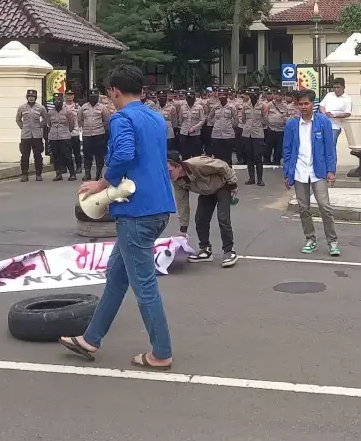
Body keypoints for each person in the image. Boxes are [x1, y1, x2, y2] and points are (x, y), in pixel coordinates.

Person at [60, 65, 176, 370]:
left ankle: (161, 352)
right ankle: (90, 339)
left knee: (144, 285)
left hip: (137, 211)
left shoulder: (123, 118)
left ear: (113, 91)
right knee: (116, 276)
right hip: (159, 205)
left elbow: (123, 155)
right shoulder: (155, 116)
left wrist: (100, 183)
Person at [283, 89, 340, 256]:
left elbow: (330, 148)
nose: (303, 107)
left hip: (319, 171)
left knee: (324, 206)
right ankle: (310, 239)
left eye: (306, 103)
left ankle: (332, 241)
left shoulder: (323, 122)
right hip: (299, 171)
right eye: (300, 104)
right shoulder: (292, 125)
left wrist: (331, 170)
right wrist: (287, 173)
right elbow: (286, 151)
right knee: (303, 208)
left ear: (313, 104)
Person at [168, 151, 238, 267]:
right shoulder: (177, 181)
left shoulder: (198, 164)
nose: (168, 175)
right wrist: (183, 229)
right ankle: (205, 250)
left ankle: (229, 251)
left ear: (178, 166)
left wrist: (233, 184)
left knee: (223, 218)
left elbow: (223, 166)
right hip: (206, 192)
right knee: (200, 219)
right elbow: (182, 203)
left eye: (169, 171)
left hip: (222, 186)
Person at [14, 89, 49, 182]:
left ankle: (38, 174)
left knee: (37, 155)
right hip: (25, 136)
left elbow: (46, 118)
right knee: (25, 156)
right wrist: (23, 127)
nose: (31, 98)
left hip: (37, 135)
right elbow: (18, 119)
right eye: (29, 97)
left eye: (33, 97)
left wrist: (40, 126)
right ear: (27, 97)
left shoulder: (40, 108)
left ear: (35, 98)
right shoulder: (22, 108)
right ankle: (24, 174)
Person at [79, 92, 111, 181]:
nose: (93, 98)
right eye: (91, 96)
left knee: (99, 155)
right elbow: (80, 119)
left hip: (99, 134)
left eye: (95, 96)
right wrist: (85, 127)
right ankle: (87, 173)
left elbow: (106, 120)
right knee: (87, 155)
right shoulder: (84, 107)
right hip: (87, 134)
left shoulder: (102, 107)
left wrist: (101, 128)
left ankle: (99, 172)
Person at [46, 93, 77, 181]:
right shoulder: (50, 112)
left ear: (61, 101)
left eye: (58, 100)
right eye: (55, 100)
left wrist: (67, 132)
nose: (57, 102)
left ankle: (72, 173)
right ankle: (58, 174)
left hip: (64, 137)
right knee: (56, 156)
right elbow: (49, 123)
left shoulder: (67, 111)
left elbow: (71, 124)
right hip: (53, 137)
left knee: (67, 156)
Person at [240, 88, 268, 186]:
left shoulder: (263, 106)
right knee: (249, 156)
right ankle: (251, 178)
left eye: (254, 94)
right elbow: (243, 120)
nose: (252, 96)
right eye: (251, 94)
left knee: (258, 157)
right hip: (247, 134)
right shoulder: (245, 106)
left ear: (258, 95)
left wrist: (258, 125)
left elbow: (265, 120)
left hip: (258, 134)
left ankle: (260, 179)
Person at [319, 77, 352, 145]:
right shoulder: (329, 95)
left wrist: (334, 115)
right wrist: (324, 113)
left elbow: (347, 113)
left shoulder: (347, 98)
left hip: (335, 126)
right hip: (323, 125)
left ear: (343, 87)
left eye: (338, 87)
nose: (336, 89)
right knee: (321, 145)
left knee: (331, 146)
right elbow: (321, 106)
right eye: (334, 88)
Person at [207, 91, 237, 165]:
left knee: (227, 157)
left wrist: (230, 126)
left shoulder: (231, 107)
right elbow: (209, 118)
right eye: (220, 95)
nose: (221, 97)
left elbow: (236, 120)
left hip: (228, 135)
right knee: (217, 157)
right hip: (216, 134)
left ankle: (229, 174)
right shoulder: (215, 107)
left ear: (226, 96)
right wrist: (215, 125)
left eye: (223, 95)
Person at [178, 91, 205, 160]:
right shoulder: (182, 107)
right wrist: (185, 128)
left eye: (191, 98)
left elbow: (202, 120)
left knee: (196, 155)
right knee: (185, 155)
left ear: (194, 98)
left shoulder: (199, 107)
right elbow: (180, 120)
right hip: (184, 133)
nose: (189, 100)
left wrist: (194, 128)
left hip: (195, 134)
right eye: (188, 98)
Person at [265, 91, 288, 165]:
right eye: (277, 94)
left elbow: (287, 115)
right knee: (268, 145)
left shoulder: (285, 106)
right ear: (274, 95)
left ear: (283, 96)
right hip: (271, 128)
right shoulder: (269, 104)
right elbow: (265, 114)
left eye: (280, 95)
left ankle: (277, 160)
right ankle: (267, 159)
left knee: (279, 147)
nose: (279, 96)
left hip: (281, 129)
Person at [65, 90, 83, 171]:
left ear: (73, 96)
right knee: (66, 152)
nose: (70, 96)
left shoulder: (77, 107)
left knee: (76, 152)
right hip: (65, 132)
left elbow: (81, 118)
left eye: (71, 95)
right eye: (68, 95)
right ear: (65, 95)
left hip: (75, 132)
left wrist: (80, 129)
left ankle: (78, 167)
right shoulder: (62, 106)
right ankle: (66, 167)